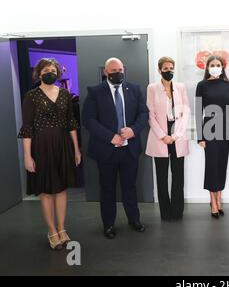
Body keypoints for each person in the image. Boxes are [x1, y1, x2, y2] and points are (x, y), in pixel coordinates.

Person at [18, 58, 82, 250]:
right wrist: (27, 156)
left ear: (58, 73)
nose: (50, 72)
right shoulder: (32, 96)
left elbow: (71, 124)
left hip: (62, 145)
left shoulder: (64, 94)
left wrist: (76, 150)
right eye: (46, 69)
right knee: (46, 191)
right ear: (39, 73)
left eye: (53, 69)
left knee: (61, 189)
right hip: (41, 147)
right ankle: (52, 231)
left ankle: (62, 229)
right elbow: (27, 128)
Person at [82, 57, 149, 239]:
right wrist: (110, 137)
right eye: (113, 71)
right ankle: (109, 225)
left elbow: (144, 113)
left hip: (130, 149)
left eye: (120, 69)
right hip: (106, 150)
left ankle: (134, 220)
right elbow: (88, 119)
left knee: (130, 187)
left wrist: (133, 130)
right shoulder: (95, 92)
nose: (117, 73)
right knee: (107, 189)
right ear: (105, 72)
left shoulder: (134, 89)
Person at [145, 57, 190, 221]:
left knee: (178, 177)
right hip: (160, 138)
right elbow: (150, 115)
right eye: (165, 68)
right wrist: (163, 136)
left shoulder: (180, 87)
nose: (169, 71)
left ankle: (177, 211)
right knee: (162, 177)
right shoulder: (152, 88)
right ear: (159, 70)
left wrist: (176, 135)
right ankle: (166, 212)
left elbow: (186, 112)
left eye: (171, 68)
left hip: (177, 136)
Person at [195, 55, 229, 218]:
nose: (215, 67)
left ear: (222, 67)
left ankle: (219, 199)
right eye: (212, 65)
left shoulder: (228, 85)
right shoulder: (202, 85)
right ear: (207, 68)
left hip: (225, 130)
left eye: (218, 65)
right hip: (209, 129)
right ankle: (212, 202)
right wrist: (200, 137)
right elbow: (199, 111)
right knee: (212, 166)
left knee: (221, 165)